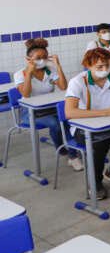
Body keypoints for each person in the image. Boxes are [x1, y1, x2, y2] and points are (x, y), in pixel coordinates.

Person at [65, 48, 110, 199]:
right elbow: (70, 112)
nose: (105, 70)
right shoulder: (78, 82)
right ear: (88, 66)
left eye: (106, 65)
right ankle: (95, 183)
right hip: (84, 129)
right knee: (99, 145)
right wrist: (106, 112)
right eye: (99, 67)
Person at [14, 38, 80, 170]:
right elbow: (26, 94)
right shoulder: (20, 74)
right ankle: (63, 151)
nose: (42, 60)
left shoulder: (49, 70)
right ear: (28, 58)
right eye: (38, 58)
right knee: (55, 124)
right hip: (30, 113)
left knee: (68, 120)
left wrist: (58, 66)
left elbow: (63, 87)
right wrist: (29, 73)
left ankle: (73, 154)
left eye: (45, 57)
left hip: (50, 108)